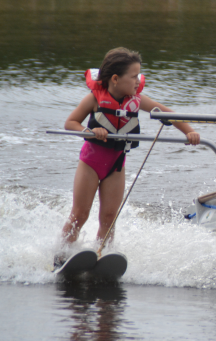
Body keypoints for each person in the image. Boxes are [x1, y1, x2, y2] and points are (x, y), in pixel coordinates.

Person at [56, 47, 200, 264]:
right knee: (80, 214)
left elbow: (168, 113)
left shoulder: (137, 100)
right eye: (134, 76)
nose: (138, 81)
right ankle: (60, 256)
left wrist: (189, 131)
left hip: (116, 165)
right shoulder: (93, 99)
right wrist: (90, 131)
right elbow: (70, 123)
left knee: (109, 218)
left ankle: (101, 256)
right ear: (115, 79)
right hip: (91, 163)